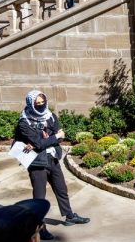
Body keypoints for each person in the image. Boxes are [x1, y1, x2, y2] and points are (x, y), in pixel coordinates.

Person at [15, 90, 88, 232]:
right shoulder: (24, 122)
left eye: (43, 102)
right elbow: (42, 142)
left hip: (52, 158)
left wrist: (44, 141)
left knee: (61, 189)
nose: (41, 105)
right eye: (37, 103)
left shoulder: (50, 116)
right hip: (36, 163)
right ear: (31, 104)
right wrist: (48, 139)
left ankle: (69, 216)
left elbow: (60, 136)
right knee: (39, 196)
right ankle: (39, 227)